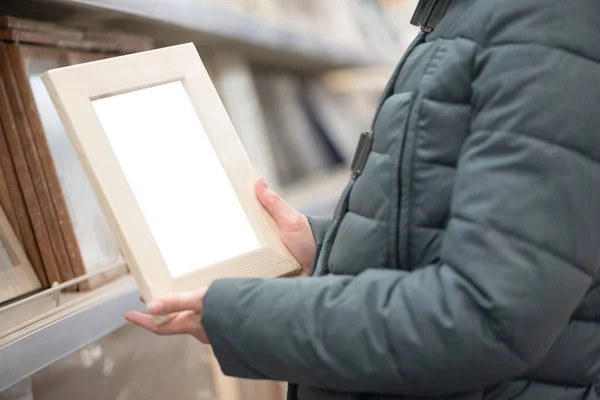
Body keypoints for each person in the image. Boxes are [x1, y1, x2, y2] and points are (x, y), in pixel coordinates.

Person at [125, 0, 600, 399]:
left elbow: (483, 317)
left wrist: (241, 318)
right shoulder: (478, 16)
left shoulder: (543, 27)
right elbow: (461, 224)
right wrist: (323, 246)